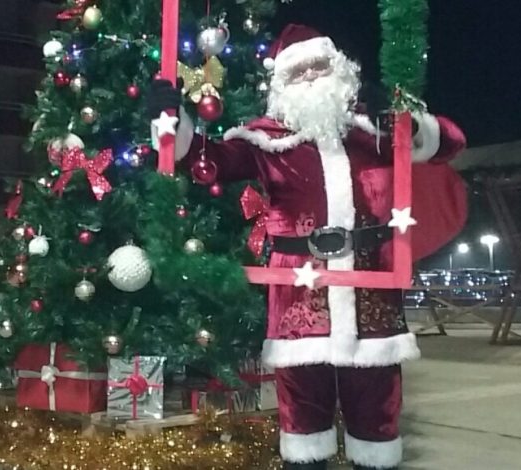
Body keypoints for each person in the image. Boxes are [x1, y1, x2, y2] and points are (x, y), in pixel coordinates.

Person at [148, 25, 468, 469]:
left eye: (320, 65)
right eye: (299, 72)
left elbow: (449, 141)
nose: (312, 76)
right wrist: (171, 122)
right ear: (282, 84)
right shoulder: (264, 140)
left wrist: (408, 122)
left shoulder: (373, 129)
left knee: (376, 416)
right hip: (299, 299)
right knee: (303, 420)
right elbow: (206, 163)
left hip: (370, 296)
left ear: (340, 69)